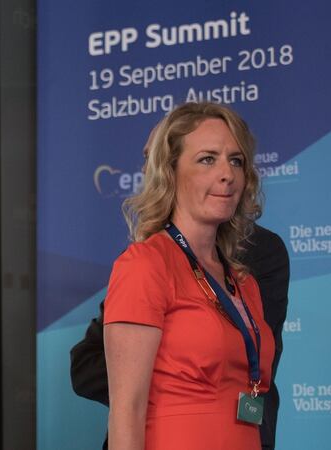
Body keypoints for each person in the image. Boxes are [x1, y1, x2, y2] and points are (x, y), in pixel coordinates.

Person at [101, 102, 276, 449]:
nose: (227, 173)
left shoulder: (244, 284)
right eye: (208, 159)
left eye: (236, 160)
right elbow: (126, 411)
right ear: (171, 171)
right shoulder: (145, 264)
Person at [70, 223, 289, 449]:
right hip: (158, 434)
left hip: (244, 434)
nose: (224, 185)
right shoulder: (149, 258)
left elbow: (253, 361)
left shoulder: (259, 253)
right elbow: (85, 365)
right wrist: (170, 381)